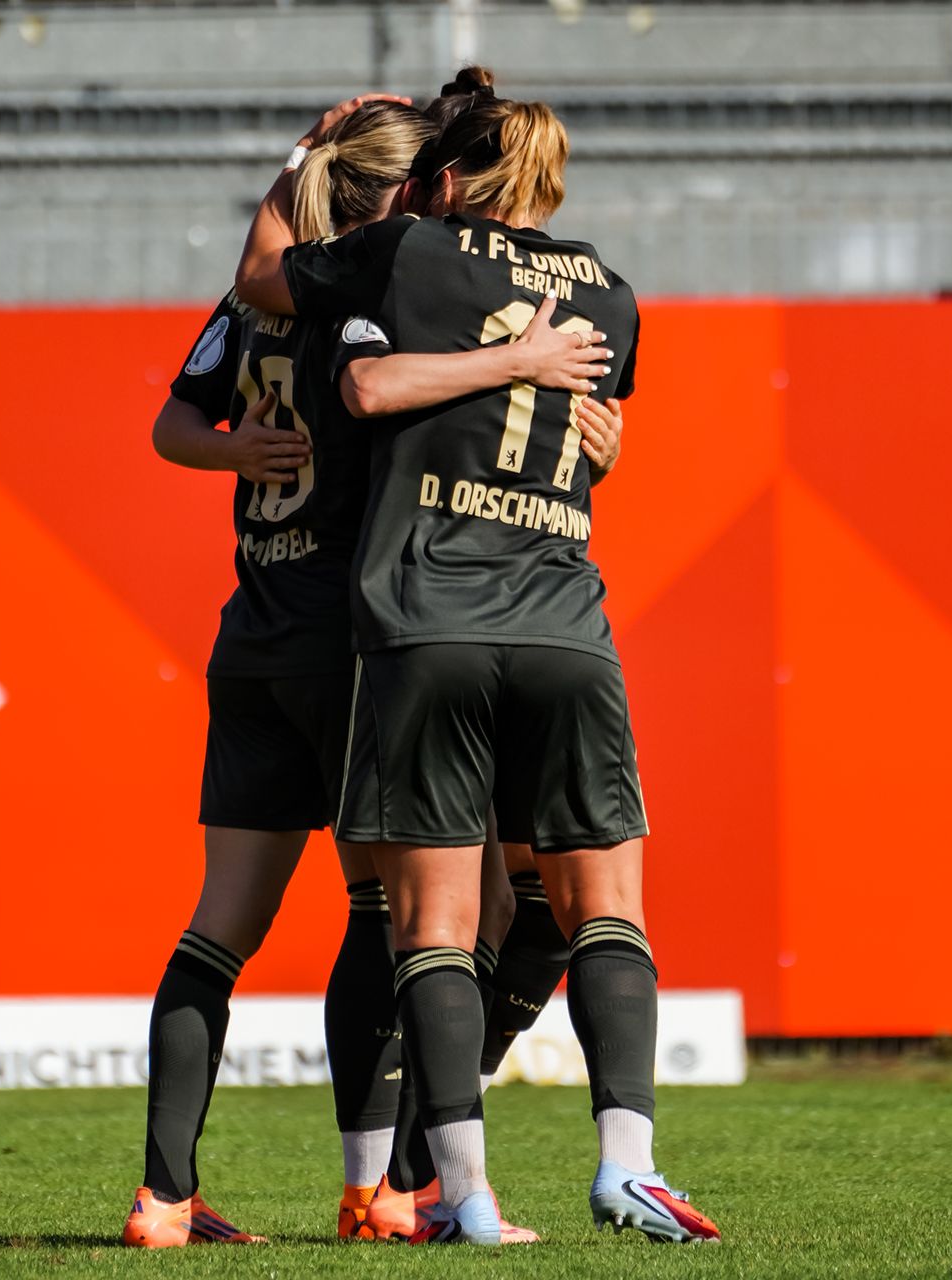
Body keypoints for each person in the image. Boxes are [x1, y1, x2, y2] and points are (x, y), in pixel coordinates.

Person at [236, 94, 723, 1245]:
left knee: (434, 925)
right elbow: (593, 436)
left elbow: (264, 279)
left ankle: (463, 1194)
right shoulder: (606, 286)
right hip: (565, 620)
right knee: (604, 908)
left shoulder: (407, 250)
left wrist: (306, 156)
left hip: (426, 621)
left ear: (443, 178)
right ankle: (629, 1167)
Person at [127, 93, 607, 1249]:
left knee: (218, 930)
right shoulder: (390, 298)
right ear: (401, 198)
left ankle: (164, 1196)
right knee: (427, 913)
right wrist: (548, 378)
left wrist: (235, 448)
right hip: (359, 639)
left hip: (252, 635)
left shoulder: (258, 300)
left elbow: (170, 423)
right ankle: (385, 1183)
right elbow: (418, 406)